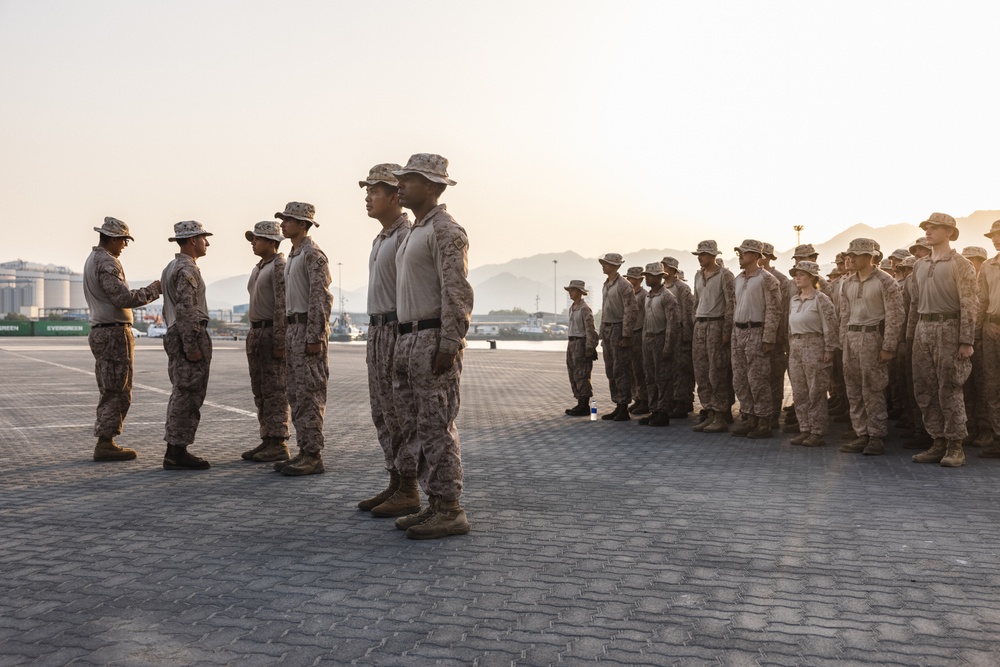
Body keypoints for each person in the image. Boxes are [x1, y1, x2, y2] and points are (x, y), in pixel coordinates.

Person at [390, 154, 474, 540]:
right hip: (407, 336)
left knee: (436, 424)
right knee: (415, 425)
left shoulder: (445, 230)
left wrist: (450, 341)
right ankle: (434, 503)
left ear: (433, 186)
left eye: (410, 179)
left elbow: (457, 291)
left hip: (430, 336)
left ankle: (451, 508)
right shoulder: (414, 231)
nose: (401, 185)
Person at [356, 163, 419, 517]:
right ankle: (396, 479)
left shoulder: (403, 236)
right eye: (367, 191)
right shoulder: (382, 237)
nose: (368, 197)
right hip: (378, 330)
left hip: (396, 329)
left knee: (399, 413)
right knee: (382, 411)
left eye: (375, 191)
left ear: (396, 196)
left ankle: (410, 488)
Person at [83, 217, 161, 461]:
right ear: (114, 239)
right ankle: (106, 442)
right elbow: (123, 298)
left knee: (111, 387)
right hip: (113, 332)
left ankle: (106, 440)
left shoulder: (93, 259)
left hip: (104, 330)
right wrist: (155, 289)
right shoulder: (106, 261)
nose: (125, 246)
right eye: (124, 241)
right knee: (117, 389)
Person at [908, 213, 978, 467]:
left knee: (949, 387)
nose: (928, 231)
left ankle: (955, 445)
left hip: (949, 328)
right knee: (924, 388)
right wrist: (910, 336)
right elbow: (914, 303)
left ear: (949, 232)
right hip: (923, 328)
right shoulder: (919, 265)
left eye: (934, 228)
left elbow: (969, 303)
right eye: (926, 228)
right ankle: (936, 441)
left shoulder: (961, 264)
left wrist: (966, 340)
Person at [272, 202, 334, 476]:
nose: (283, 224)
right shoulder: (294, 254)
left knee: (310, 393)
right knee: (296, 393)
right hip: (293, 329)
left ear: (302, 224)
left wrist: (315, 335)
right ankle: (303, 450)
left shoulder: (312, 254)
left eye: (288, 220)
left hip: (307, 329)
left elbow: (320, 297)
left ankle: (313, 454)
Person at [837, 238, 904, 456]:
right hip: (852, 338)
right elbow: (844, 314)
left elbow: (895, 315)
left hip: (872, 337)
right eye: (850, 254)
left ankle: (876, 436)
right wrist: (843, 340)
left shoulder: (886, 281)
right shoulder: (847, 282)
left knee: (873, 389)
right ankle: (861, 433)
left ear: (870, 256)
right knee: (854, 390)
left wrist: (888, 346)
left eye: (856, 255)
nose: (851, 258)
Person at [160, 220, 214, 470]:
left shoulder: (171, 267)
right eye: (204, 238)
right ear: (193, 240)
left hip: (175, 332)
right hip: (187, 334)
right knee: (189, 394)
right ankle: (177, 450)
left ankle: (175, 448)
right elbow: (187, 308)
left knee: (181, 391)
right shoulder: (187, 269)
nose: (207, 243)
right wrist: (192, 345)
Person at [241, 220, 290, 463]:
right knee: (260, 389)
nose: (253, 242)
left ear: (272, 242)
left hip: (271, 332)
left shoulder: (279, 266)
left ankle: (278, 440)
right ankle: (267, 438)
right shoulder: (259, 267)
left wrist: (280, 341)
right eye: (253, 238)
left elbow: (282, 305)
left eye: (257, 239)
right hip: (256, 333)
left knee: (275, 390)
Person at [729, 240, 781, 438]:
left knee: (758, 379)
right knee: (740, 379)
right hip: (739, 332)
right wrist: (734, 333)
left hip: (756, 332)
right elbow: (735, 306)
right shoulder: (738, 279)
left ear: (755, 255)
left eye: (743, 253)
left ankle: (764, 420)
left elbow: (774, 310)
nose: (740, 256)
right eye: (739, 253)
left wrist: (768, 338)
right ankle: (749, 417)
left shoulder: (767, 279)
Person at [786, 261, 839, 446]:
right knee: (800, 391)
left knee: (815, 391)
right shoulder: (794, 299)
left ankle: (817, 431)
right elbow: (790, 326)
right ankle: (804, 428)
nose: (797, 277)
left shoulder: (821, 299)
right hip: (796, 346)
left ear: (812, 277)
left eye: (801, 274)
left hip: (815, 345)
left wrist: (829, 349)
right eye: (796, 274)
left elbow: (830, 325)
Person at [691, 240, 735, 434]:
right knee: (701, 371)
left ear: (713, 256)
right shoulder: (697, 276)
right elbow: (696, 301)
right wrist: (695, 322)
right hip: (700, 324)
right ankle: (708, 411)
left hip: (716, 324)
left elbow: (730, 304)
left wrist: (726, 331)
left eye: (703, 254)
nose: (700, 258)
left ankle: (720, 414)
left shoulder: (725, 275)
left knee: (717, 372)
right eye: (699, 254)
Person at [598, 253, 638, 421]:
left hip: (618, 329)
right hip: (608, 329)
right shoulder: (606, 284)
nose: (603, 266)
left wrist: (626, 335)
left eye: (606, 264)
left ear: (615, 266)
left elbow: (631, 310)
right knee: (611, 370)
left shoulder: (624, 285)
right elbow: (604, 309)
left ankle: (623, 406)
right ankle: (617, 403)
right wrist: (601, 333)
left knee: (621, 369)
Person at [639, 262, 679, 427]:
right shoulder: (648, 296)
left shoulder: (667, 296)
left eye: (649, 275)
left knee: (663, 377)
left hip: (660, 339)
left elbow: (672, 324)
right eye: (646, 275)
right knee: (650, 377)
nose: (646, 278)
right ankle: (654, 409)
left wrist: (668, 346)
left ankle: (663, 411)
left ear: (658, 277)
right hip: (648, 339)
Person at [760, 242, 792, 430]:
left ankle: (773, 413)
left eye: (765, 255)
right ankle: (758, 412)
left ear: (771, 258)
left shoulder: (780, 279)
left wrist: (780, 336)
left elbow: (784, 311)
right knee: (757, 376)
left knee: (774, 375)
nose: (761, 258)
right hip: (755, 333)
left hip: (776, 336)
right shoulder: (750, 278)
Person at [976, 220, 1000, 458]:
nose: (994, 238)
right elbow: (982, 300)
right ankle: (998, 437)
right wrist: (977, 334)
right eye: (992, 235)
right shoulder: (988, 266)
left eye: (998, 234)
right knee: (992, 385)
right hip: (992, 328)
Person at [662, 256, 695, 418]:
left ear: (673, 270)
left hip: (681, 334)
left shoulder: (682, 288)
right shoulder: (662, 288)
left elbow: (689, 313)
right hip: (667, 334)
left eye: (666, 267)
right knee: (670, 370)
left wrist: (687, 338)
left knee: (682, 370)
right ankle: (673, 400)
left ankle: (683, 401)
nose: (663, 270)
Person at [564, 279, 598, 416]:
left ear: (579, 292)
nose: (570, 293)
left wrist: (590, 347)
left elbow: (590, 329)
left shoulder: (584, 308)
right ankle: (579, 401)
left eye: (572, 290)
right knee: (573, 372)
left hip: (580, 342)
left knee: (582, 374)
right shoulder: (572, 308)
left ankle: (584, 404)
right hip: (571, 342)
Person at [624, 266, 650, 415]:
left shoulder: (643, 296)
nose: (629, 280)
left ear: (640, 280)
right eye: (628, 278)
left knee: (641, 370)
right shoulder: (627, 294)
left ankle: (645, 400)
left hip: (640, 334)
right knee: (632, 370)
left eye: (632, 278)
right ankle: (637, 398)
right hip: (630, 334)